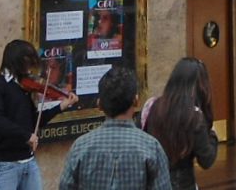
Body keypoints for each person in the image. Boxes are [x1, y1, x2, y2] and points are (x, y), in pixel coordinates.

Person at [0, 39, 79, 190]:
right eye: (28, 62)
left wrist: (61, 106)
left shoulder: (24, 89)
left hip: (28, 162)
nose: (30, 68)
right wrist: (26, 136)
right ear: (17, 61)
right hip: (5, 165)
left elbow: (34, 121)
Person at [59, 66, 171, 190]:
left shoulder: (80, 147)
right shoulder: (151, 147)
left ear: (99, 105)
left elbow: (65, 186)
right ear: (136, 101)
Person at [143, 57, 219, 190]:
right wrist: (212, 134)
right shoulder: (194, 116)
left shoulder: (152, 106)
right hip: (183, 184)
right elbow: (206, 160)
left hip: (153, 183)